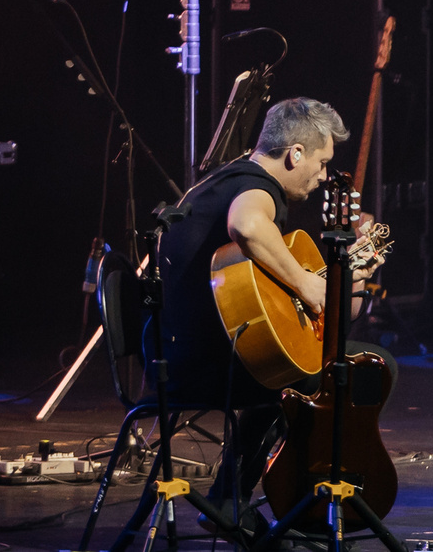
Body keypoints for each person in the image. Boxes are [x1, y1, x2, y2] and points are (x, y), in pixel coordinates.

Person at [154, 98, 395, 514]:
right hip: (202, 364)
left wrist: (351, 278)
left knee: (307, 364)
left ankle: (233, 501)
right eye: (321, 163)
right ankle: (295, 507)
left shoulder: (225, 180)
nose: (323, 177)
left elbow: (318, 315)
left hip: (179, 355)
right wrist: (304, 283)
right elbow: (246, 226)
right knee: (363, 369)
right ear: (294, 154)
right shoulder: (256, 187)